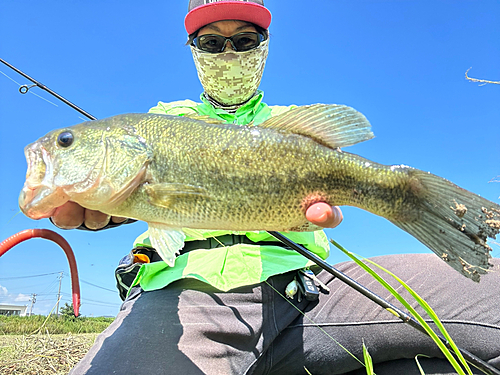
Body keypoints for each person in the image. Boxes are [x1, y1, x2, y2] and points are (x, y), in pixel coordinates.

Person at [63, 1, 500, 374]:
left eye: (245, 40)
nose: (229, 52)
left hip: (311, 293)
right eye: (212, 42)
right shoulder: (162, 122)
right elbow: (128, 197)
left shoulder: (291, 123)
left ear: (264, 47)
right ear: (194, 51)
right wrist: (108, 210)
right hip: (186, 298)